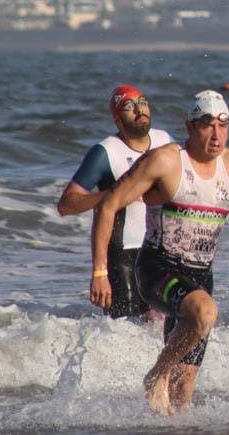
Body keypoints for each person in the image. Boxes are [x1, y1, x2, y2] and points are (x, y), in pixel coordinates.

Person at [89, 89, 229, 415]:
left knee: (184, 391)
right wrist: (99, 272)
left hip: (200, 278)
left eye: (223, 125)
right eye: (208, 125)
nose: (216, 134)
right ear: (190, 126)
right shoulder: (166, 161)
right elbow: (109, 205)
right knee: (205, 313)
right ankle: (156, 374)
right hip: (157, 270)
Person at [57, 84, 173, 320]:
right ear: (117, 120)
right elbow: (66, 204)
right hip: (123, 257)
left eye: (143, 102)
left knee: (164, 326)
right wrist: (118, 193)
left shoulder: (165, 141)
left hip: (161, 251)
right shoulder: (105, 152)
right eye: (129, 106)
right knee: (126, 331)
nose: (140, 110)